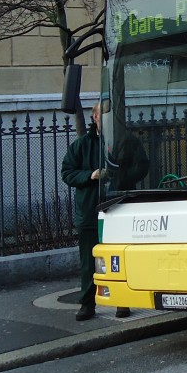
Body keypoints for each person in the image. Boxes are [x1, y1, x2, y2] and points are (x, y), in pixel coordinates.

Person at [61, 100, 148, 321]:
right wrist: (90, 176)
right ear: (95, 118)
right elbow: (67, 172)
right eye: (103, 116)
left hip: (119, 207)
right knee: (89, 261)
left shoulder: (127, 142)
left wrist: (121, 176)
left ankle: (122, 301)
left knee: (119, 258)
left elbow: (142, 166)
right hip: (91, 209)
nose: (106, 120)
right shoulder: (82, 145)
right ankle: (88, 303)